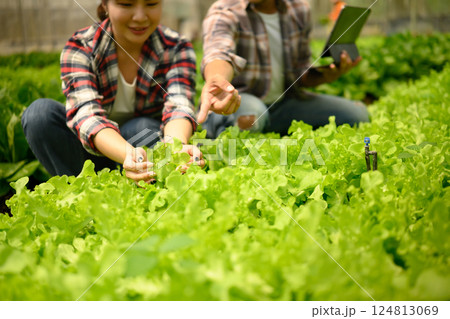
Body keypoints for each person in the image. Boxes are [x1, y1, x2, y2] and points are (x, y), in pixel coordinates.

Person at [21, 0, 204, 183]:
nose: (140, 17)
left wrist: (175, 148)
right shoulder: (82, 47)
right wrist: (128, 155)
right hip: (91, 156)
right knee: (39, 115)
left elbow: (179, 105)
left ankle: (149, 184)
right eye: (126, 4)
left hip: (146, 150)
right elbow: (87, 116)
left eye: (151, 4)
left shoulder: (176, 47)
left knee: (140, 127)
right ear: (106, 5)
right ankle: (85, 191)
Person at [198, 0, 369, 138]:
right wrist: (217, 77)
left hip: (283, 104)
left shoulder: (299, 9)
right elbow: (218, 52)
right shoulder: (225, 10)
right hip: (240, 103)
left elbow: (299, 73)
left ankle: (266, 130)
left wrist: (329, 75)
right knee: (252, 117)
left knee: (356, 115)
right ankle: (216, 126)